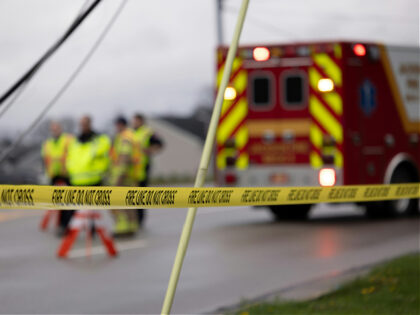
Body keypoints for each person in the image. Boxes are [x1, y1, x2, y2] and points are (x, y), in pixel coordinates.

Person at [65, 116, 111, 231]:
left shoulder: (100, 139)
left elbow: (103, 155)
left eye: (85, 123)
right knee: (74, 210)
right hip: (76, 180)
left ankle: (93, 230)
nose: (83, 126)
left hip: (93, 180)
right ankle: (71, 231)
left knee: (92, 210)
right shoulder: (75, 141)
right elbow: (70, 158)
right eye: (81, 124)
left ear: (90, 123)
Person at [41, 121, 74, 234]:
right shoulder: (48, 143)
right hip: (53, 176)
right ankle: (61, 225)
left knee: (68, 202)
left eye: (57, 128)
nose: (55, 131)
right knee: (57, 202)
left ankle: (66, 224)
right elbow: (45, 159)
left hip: (67, 175)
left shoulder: (68, 140)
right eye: (53, 129)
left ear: (61, 128)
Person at [131, 113, 163, 224]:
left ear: (141, 121)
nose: (134, 123)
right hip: (131, 169)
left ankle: (139, 220)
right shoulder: (131, 133)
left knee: (140, 195)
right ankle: (133, 219)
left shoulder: (148, 132)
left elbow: (159, 144)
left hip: (143, 167)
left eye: (136, 121)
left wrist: (148, 150)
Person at [109, 116, 138, 236]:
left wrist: (119, 177)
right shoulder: (131, 135)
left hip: (123, 175)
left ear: (120, 124)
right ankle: (131, 227)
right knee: (128, 203)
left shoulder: (125, 137)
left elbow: (125, 156)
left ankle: (122, 228)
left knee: (117, 202)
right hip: (130, 174)